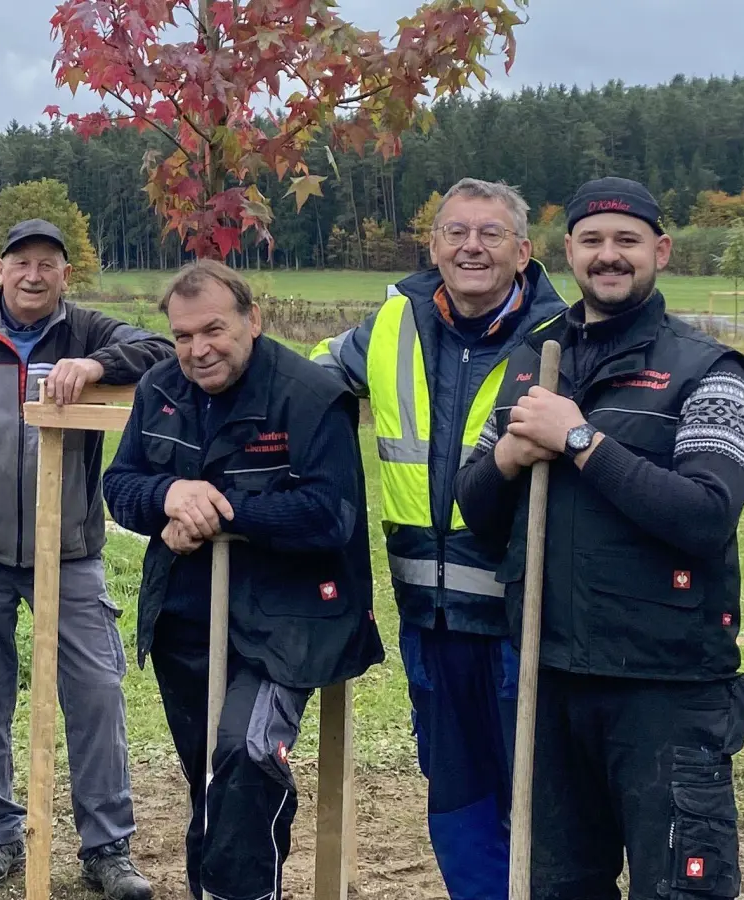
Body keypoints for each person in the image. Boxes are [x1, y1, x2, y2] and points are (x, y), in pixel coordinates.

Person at [456, 177, 744, 900]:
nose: (609, 256)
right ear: (569, 253)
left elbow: (705, 515)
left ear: (660, 251)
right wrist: (507, 457)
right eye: (592, 241)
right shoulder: (534, 363)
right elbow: (478, 509)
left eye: (627, 241)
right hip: (551, 676)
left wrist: (582, 439)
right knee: (561, 886)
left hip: (669, 688)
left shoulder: (711, 371)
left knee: (678, 889)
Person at [309, 178, 566, 898]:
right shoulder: (391, 324)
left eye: (489, 234)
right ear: (433, 244)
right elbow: (299, 381)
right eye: (456, 232)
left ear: (523, 249)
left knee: (541, 801)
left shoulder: (562, 337)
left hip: (530, 618)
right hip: (431, 617)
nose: (471, 247)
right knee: (457, 799)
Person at [104, 260, 383, 900]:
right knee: (212, 778)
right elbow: (119, 488)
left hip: (290, 617)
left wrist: (215, 511)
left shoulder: (310, 395)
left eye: (213, 330)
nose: (198, 350)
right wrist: (170, 494)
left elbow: (329, 515)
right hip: (186, 614)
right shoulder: (159, 388)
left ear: (252, 321)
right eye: (182, 336)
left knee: (247, 754)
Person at [0, 219, 172, 899]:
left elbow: (163, 350)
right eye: (22, 263)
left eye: (49, 265)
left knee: (95, 690)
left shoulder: (88, 330)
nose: (35, 275)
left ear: (66, 275)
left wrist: (96, 366)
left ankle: (106, 846)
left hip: (72, 548)